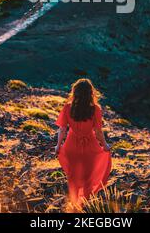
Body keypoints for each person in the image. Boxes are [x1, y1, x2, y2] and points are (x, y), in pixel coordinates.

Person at [55, 78, 111, 206]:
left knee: (73, 176)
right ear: (91, 93)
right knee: (88, 176)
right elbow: (98, 132)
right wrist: (105, 145)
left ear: (74, 92)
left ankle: (74, 203)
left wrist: (58, 146)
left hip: (71, 145)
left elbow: (62, 129)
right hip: (90, 146)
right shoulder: (95, 109)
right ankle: (84, 203)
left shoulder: (67, 108)